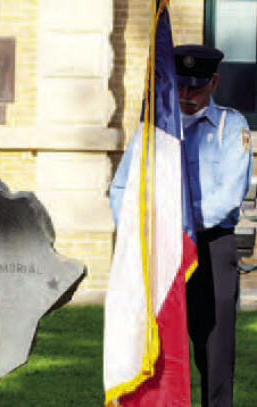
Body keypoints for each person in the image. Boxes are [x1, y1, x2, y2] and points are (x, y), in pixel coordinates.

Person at [109, 44, 252, 407]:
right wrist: (134, 231)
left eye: (197, 87)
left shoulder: (231, 126)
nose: (187, 95)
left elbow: (228, 199)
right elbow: (122, 188)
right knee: (156, 352)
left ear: (214, 82)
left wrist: (175, 223)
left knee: (215, 357)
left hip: (210, 250)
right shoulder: (153, 129)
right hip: (158, 250)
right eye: (181, 86)